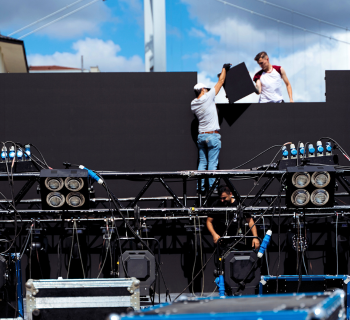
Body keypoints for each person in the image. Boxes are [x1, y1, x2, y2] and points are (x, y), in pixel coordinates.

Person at [191, 63, 231, 194]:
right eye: (206, 89)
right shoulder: (208, 97)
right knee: (213, 164)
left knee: (202, 163)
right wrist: (224, 68)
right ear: (202, 90)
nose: (208, 90)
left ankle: (201, 188)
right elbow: (221, 81)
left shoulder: (193, 104)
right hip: (212, 135)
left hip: (201, 135)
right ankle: (213, 190)